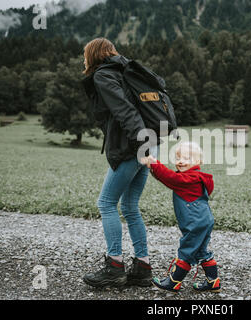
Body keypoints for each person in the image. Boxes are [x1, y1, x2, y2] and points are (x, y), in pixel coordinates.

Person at [81, 38, 158, 288]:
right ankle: (142, 267)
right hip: (149, 141)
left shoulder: (104, 75)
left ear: (92, 55)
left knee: (106, 203)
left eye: (85, 55)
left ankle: (115, 266)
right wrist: (147, 144)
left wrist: (141, 145)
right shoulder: (127, 69)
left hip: (133, 145)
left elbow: (125, 110)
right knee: (130, 206)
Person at [141, 142, 221, 293]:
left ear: (198, 162)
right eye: (178, 157)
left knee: (187, 249)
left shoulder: (190, 179)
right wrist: (153, 168)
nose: (181, 161)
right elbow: (170, 178)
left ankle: (174, 282)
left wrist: (154, 164)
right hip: (204, 220)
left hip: (195, 222)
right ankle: (213, 282)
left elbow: (171, 178)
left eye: (187, 158)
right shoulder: (197, 177)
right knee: (200, 251)